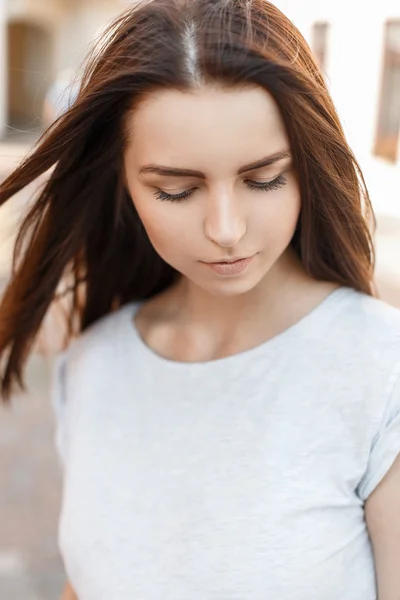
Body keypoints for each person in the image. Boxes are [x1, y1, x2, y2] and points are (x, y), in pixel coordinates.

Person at [0, 1, 399, 598]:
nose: (226, 229)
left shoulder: (380, 368)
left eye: (264, 179)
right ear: (123, 183)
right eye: (177, 190)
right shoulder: (93, 364)